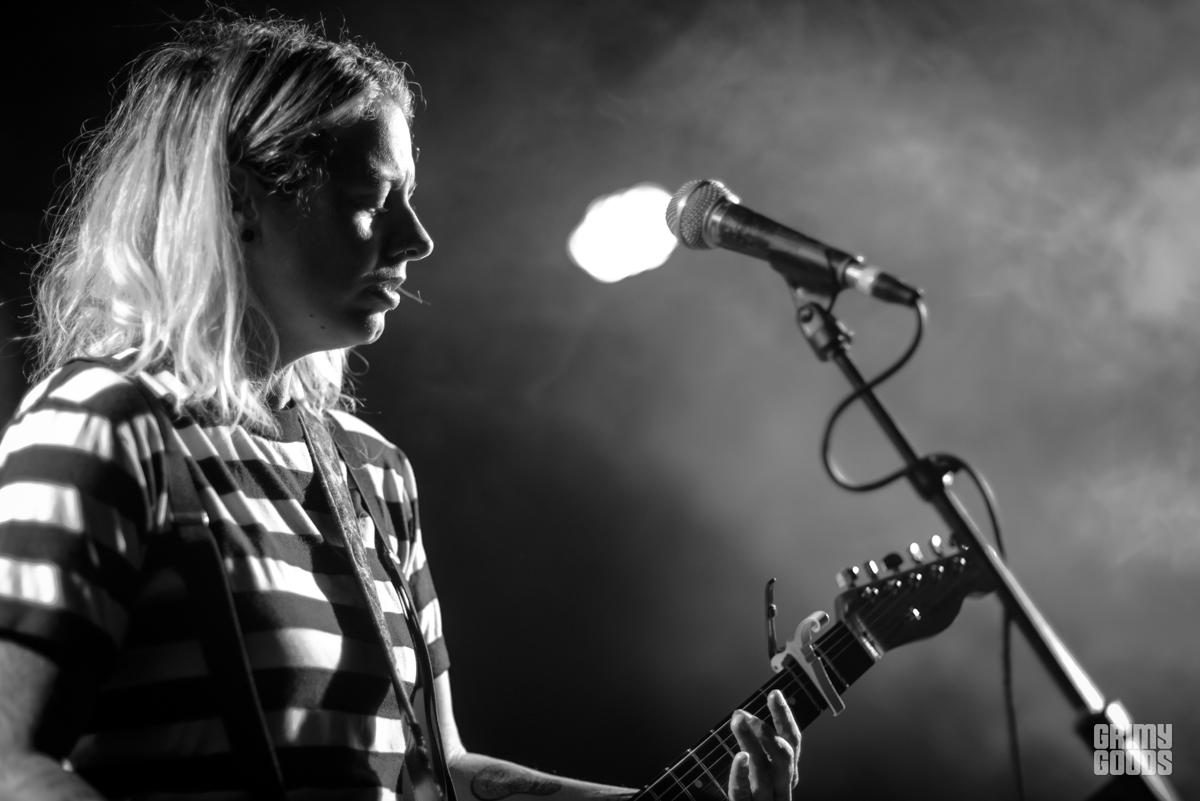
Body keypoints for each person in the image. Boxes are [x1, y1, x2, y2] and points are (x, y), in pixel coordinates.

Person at [0, 12, 802, 801]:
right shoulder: (105, 424)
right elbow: (11, 763)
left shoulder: (374, 473)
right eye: (373, 197)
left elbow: (437, 772)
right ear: (241, 201)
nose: (417, 237)